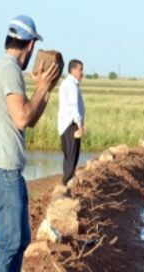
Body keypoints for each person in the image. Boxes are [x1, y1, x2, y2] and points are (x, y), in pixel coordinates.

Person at [0, 15, 59, 272]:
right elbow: (22, 118)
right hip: (2, 169)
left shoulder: (8, 69)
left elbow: (31, 116)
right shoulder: (10, 70)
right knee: (9, 239)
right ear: (29, 45)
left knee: (22, 236)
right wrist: (40, 87)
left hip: (8, 168)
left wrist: (45, 91)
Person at [57, 58, 86, 187]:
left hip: (66, 124)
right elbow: (74, 106)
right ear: (73, 70)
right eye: (80, 69)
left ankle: (67, 183)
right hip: (71, 124)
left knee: (69, 156)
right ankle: (66, 185)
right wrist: (79, 125)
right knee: (72, 156)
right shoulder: (71, 85)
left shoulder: (68, 83)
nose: (82, 73)